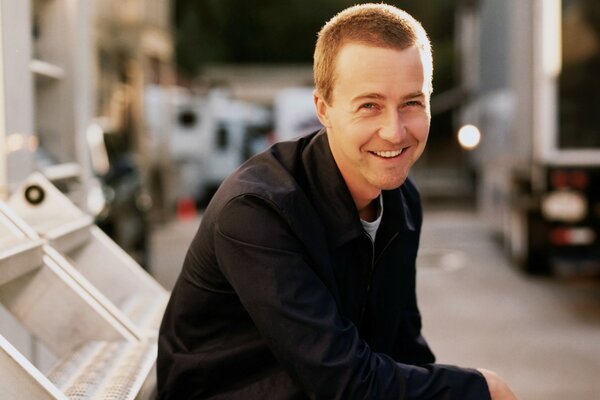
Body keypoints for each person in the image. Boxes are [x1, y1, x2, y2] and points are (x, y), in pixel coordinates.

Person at [157, 3, 518, 399]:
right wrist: (484, 389)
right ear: (324, 109)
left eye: (412, 103)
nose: (394, 132)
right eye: (370, 106)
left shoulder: (401, 200)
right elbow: (342, 382)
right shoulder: (258, 210)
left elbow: (402, 348)